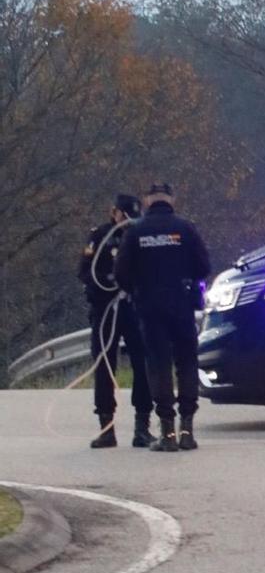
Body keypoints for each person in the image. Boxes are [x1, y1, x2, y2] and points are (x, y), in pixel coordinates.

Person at [115, 183, 212, 453]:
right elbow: (204, 266)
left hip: (149, 306)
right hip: (181, 304)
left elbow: (121, 271)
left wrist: (136, 288)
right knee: (186, 363)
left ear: (147, 201)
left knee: (158, 365)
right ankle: (187, 431)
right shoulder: (185, 228)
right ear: (171, 200)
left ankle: (167, 432)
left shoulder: (136, 231)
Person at [78, 192, 153, 450]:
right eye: (124, 214)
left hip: (133, 309)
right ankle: (106, 428)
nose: (128, 219)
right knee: (104, 366)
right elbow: (85, 271)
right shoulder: (100, 236)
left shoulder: (141, 237)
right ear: (115, 213)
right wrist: (108, 285)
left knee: (142, 365)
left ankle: (142, 427)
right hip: (105, 309)